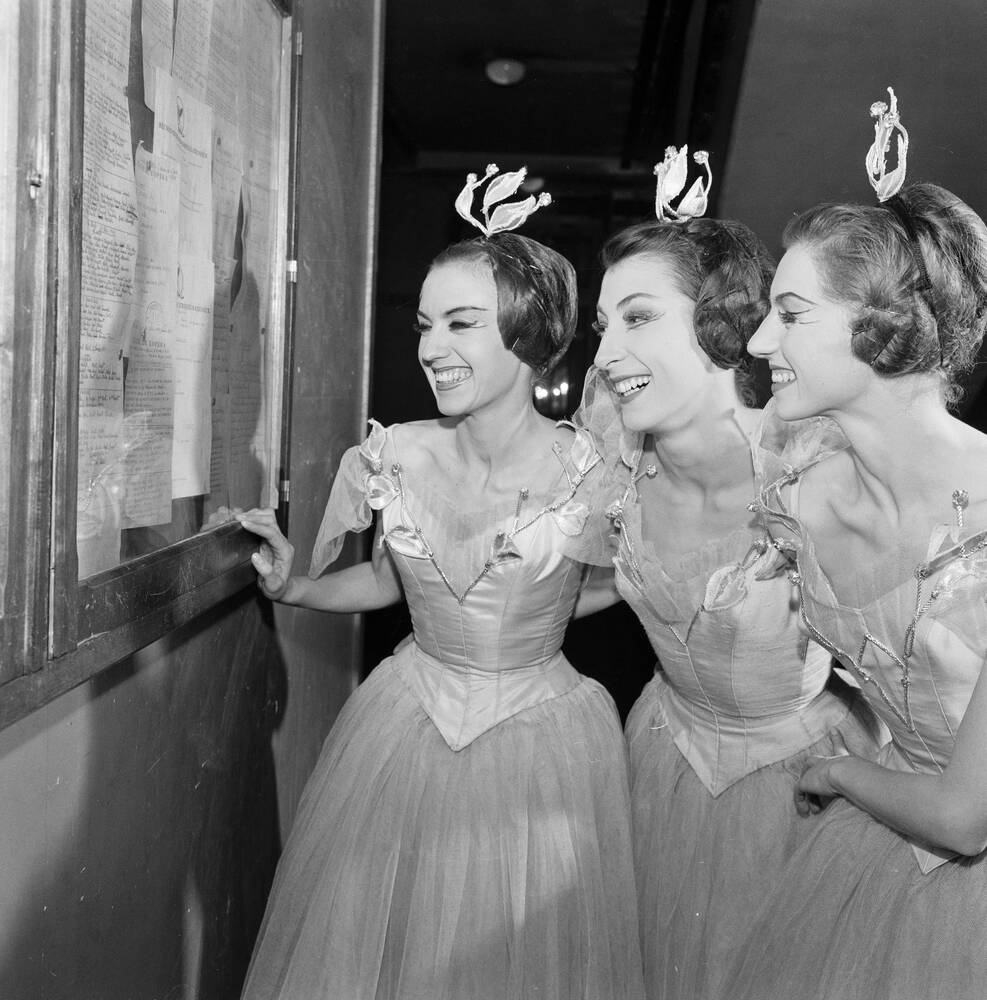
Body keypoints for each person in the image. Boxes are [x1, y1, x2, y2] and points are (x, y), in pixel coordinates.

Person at [236, 167, 645, 1000]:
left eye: (462, 323)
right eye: (425, 324)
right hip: (404, 725)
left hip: (538, 748)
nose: (431, 347)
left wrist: (548, 618)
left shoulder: (592, 470)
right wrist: (297, 588)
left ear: (529, 336)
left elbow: (629, 580)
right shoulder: (393, 455)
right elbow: (386, 583)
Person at [576, 146, 884, 1000]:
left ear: (722, 325)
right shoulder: (613, 470)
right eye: (603, 326)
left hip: (795, 793)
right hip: (659, 766)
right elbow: (571, 585)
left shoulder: (811, 467)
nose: (605, 354)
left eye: (637, 318)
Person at [729, 89, 987, 999]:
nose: (759, 339)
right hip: (875, 862)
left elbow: (963, 818)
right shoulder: (800, 492)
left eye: (790, 314)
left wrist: (838, 770)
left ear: (882, 322)